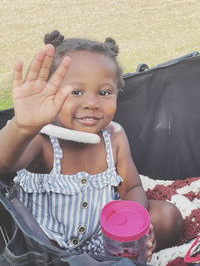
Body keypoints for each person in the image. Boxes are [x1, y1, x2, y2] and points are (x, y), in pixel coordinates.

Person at [0, 30, 183, 262]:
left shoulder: (114, 136)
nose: (91, 103)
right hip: (51, 247)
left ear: (118, 92)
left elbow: (132, 187)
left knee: (167, 216)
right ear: (49, 93)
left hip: (104, 237)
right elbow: (3, 162)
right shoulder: (42, 138)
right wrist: (22, 126)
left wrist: (137, 229)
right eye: (76, 92)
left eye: (104, 92)